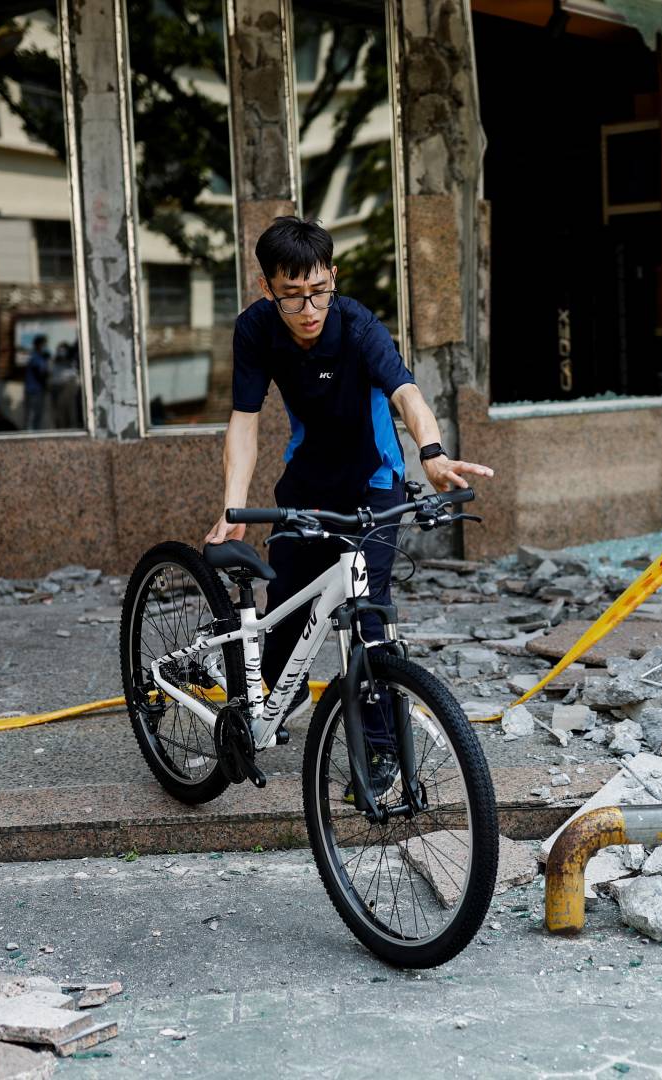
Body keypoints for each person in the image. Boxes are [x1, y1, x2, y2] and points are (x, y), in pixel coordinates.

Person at [204, 217, 494, 795]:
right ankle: (269, 709)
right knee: (285, 603)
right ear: (268, 289)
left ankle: (381, 751)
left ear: (332, 277)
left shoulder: (358, 325)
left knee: (369, 615)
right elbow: (245, 420)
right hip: (308, 485)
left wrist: (432, 455)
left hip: (374, 485)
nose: (309, 308)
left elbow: (407, 394)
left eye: (318, 291)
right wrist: (232, 510)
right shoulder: (257, 330)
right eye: (292, 297)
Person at [21, 335, 50, 430]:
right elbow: (39, 373)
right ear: (38, 345)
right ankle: (28, 435)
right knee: (31, 415)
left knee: (38, 415)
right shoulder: (35, 357)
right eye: (43, 344)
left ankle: (36, 434)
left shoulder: (42, 357)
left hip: (39, 390)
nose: (45, 346)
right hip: (32, 390)